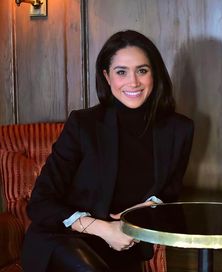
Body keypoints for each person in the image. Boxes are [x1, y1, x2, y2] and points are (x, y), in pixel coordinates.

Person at [21, 30, 194, 272]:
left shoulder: (180, 129)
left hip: (123, 246)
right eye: (121, 72)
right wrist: (103, 229)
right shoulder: (84, 124)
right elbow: (40, 202)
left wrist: (143, 213)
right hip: (64, 241)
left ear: (154, 73)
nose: (133, 82)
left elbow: (169, 193)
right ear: (107, 76)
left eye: (142, 70)